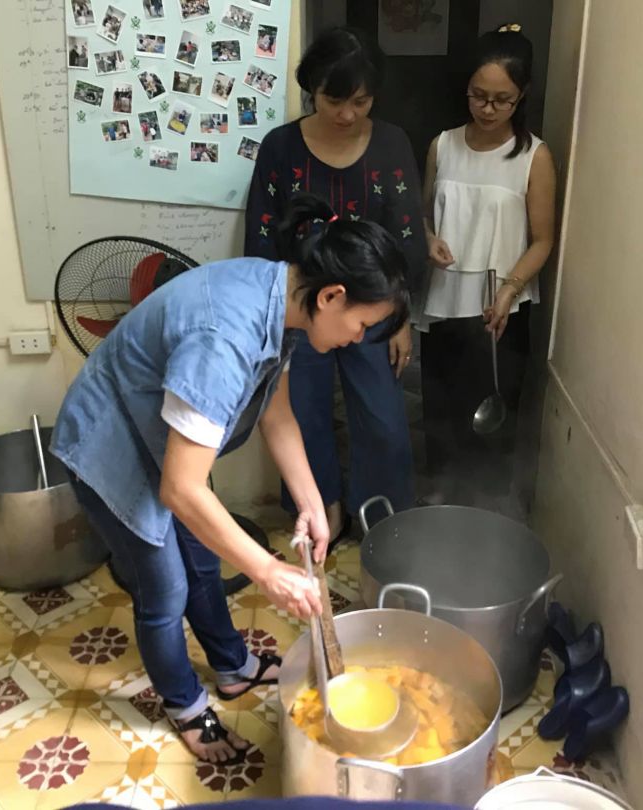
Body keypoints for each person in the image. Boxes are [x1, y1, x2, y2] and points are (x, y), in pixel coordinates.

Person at [51, 193, 409, 766]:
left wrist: (312, 501)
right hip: (109, 443)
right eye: (361, 325)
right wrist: (267, 570)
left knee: (201, 559)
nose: (356, 339)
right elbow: (181, 489)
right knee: (164, 588)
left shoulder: (283, 297)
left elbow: (276, 412)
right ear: (332, 296)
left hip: (160, 438)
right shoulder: (225, 335)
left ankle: (233, 667)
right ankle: (185, 705)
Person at [245, 26, 427, 540]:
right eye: (333, 100)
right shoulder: (280, 147)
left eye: (360, 102)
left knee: (385, 423)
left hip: (373, 310)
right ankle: (322, 509)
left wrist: (400, 319)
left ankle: (380, 521)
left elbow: (407, 238)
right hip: (301, 311)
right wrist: (275, 323)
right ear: (311, 89)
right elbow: (262, 237)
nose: (347, 114)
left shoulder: (391, 144)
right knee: (302, 415)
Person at [419, 24, 556, 505]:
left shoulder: (534, 157)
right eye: (479, 96)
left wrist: (510, 289)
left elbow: (543, 240)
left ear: (522, 96)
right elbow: (423, 213)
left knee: (492, 415)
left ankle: (486, 508)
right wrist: (428, 238)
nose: (488, 109)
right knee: (441, 408)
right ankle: (440, 500)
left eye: (503, 100)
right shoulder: (442, 145)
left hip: (501, 308)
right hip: (444, 298)